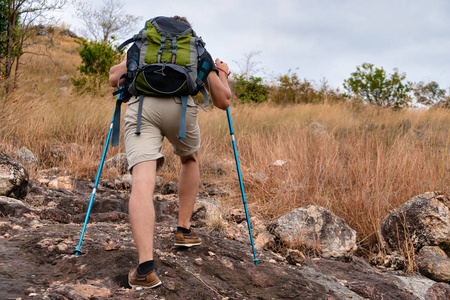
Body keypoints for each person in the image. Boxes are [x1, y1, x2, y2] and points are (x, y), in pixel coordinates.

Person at [109, 16, 231, 289]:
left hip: (143, 110)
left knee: (143, 180)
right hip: (182, 111)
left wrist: (123, 61)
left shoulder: (142, 43)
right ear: (187, 31)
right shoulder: (196, 48)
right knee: (189, 159)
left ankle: (144, 268)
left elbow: (114, 79)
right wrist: (222, 72)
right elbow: (223, 101)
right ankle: (184, 230)